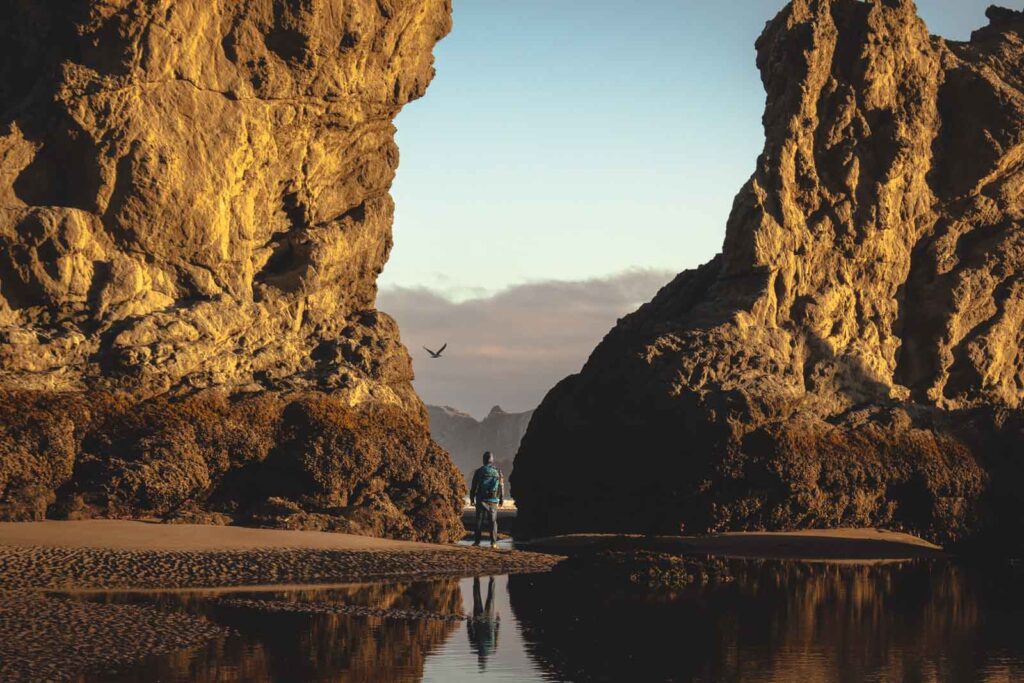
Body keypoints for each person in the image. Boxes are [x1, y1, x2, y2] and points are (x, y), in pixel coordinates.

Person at [469, 451, 504, 548]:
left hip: (481, 499)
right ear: (492, 460)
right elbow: (501, 486)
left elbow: (474, 486)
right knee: (493, 522)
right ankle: (493, 543)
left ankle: (477, 542)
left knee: (479, 521)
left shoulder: (479, 471)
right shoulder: (498, 471)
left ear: (484, 460)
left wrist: (472, 498)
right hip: (493, 500)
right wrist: (501, 499)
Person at [467, 576, 500, 670]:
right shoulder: (475, 648)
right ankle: (476, 579)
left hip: (489, 619)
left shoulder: (493, 649)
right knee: (477, 598)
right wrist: (469, 621)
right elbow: (470, 632)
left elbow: (496, 633)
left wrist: (498, 621)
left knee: (490, 599)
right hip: (478, 621)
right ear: (480, 659)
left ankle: (492, 579)